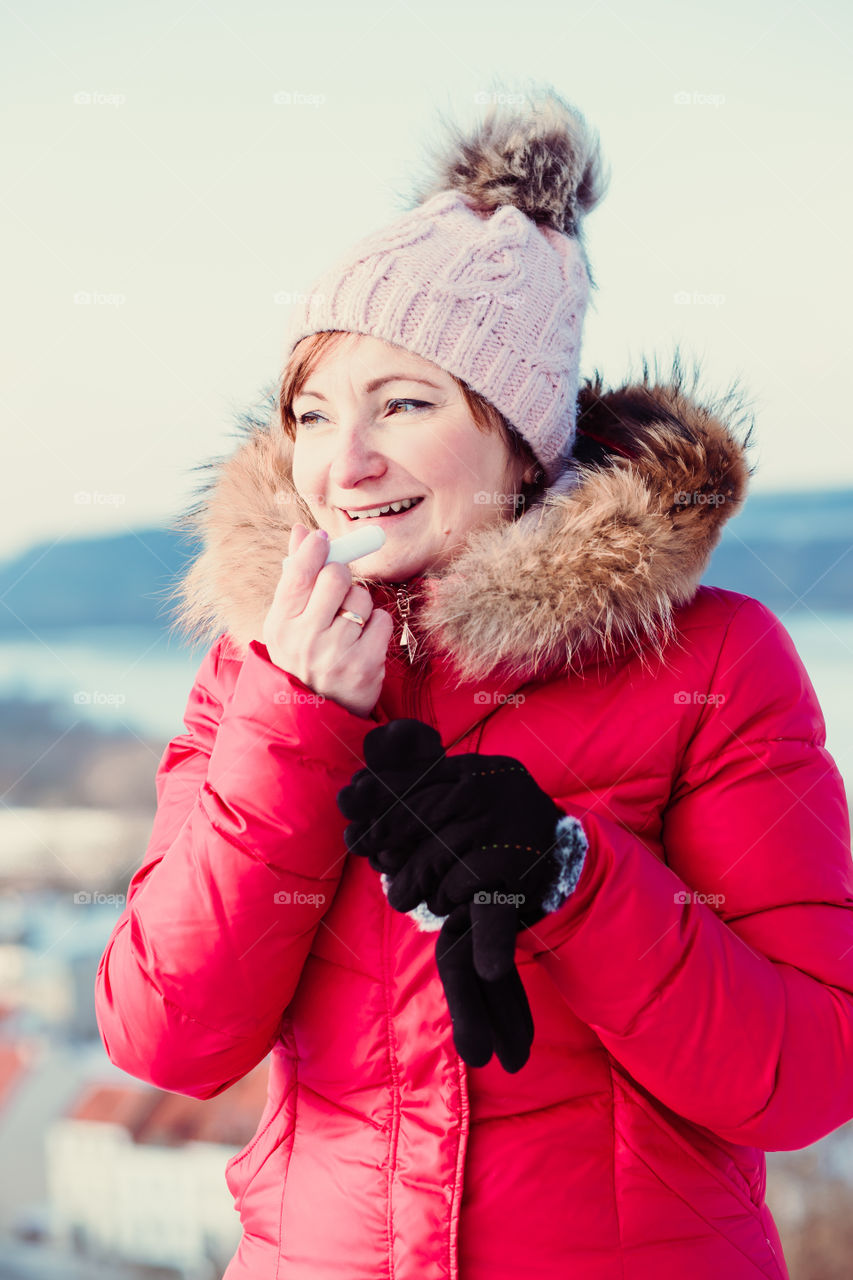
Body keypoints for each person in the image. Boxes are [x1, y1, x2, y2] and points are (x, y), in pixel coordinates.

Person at [95, 86, 853, 1280]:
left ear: (518, 437)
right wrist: (293, 724)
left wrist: (573, 874)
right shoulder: (255, 670)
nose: (344, 463)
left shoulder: (712, 661)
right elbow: (166, 1036)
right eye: (312, 411)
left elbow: (802, 1074)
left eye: (403, 403)